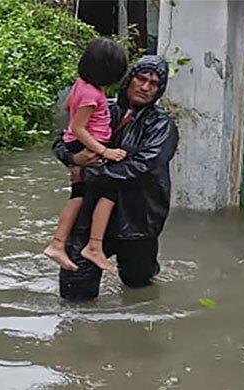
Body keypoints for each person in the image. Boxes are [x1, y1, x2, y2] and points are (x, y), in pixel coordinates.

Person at [51, 55, 178, 300]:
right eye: (141, 79)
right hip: (89, 214)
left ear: (159, 90)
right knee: (75, 288)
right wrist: (73, 159)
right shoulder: (101, 108)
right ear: (129, 79)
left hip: (137, 219)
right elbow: (63, 140)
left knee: (138, 284)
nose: (145, 87)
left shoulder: (161, 126)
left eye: (153, 84)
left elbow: (142, 167)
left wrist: (89, 173)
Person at [42, 38, 128, 273]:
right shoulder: (93, 95)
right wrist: (103, 150)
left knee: (79, 196)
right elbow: (79, 127)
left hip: (76, 145)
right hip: (90, 146)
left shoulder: (81, 84)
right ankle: (94, 246)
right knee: (109, 193)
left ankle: (57, 243)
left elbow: (67, 107)